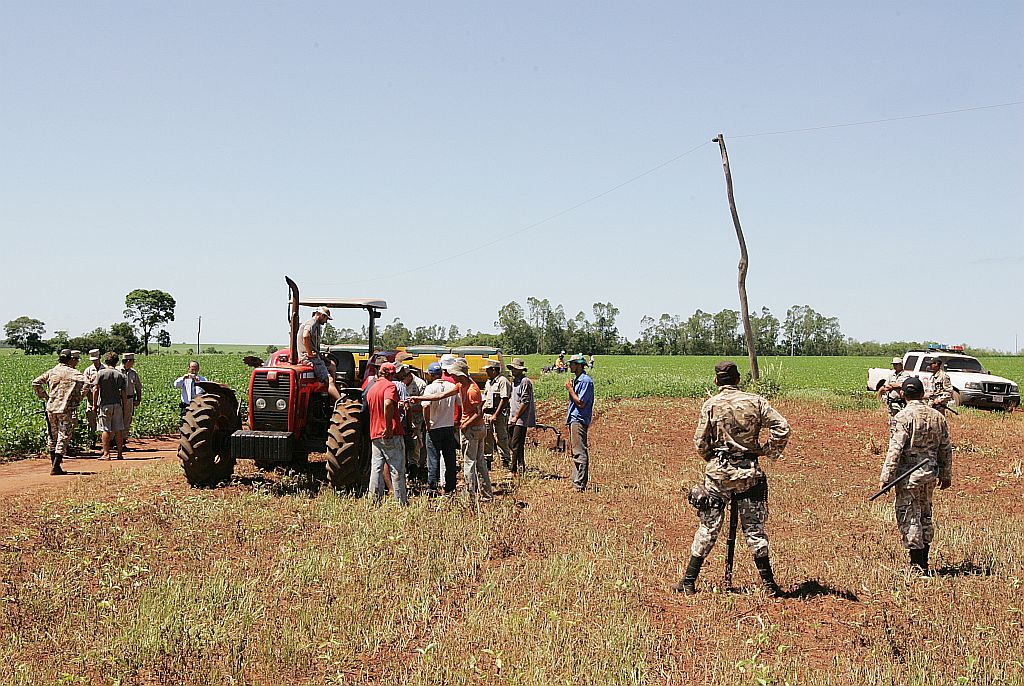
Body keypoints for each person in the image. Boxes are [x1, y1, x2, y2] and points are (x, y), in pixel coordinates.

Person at [674, 360, 790, 597]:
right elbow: (782, 427)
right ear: (738, 379)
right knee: (755, 531)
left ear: (716, 381)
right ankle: (770, 586)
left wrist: (713, 459)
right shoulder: (755, 401)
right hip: (749, 474)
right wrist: (764, 450)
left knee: (708, 527)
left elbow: (700, 443)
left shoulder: (711, 405)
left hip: (719, 476)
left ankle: (688, 581)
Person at [880, 376, 953, 575]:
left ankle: (917, 566)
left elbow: (895, 450)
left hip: (908, 477)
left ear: (903, 394)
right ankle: (924, 562)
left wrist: (886, 478)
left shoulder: (903, 417)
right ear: (922, 394)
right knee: (925, 515)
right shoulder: (938, 417)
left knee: (909, 516)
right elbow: (946, 448)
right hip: (930, 474)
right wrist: (946, 474)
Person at [31, 349, 86, 475]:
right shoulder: (73, 373)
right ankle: (56, 466)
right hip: (64, 409)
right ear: (70, 359)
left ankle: (55, 465)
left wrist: (45, 396)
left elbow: (36, 382)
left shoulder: (52, 371)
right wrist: (78, 397)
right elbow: (88, 382)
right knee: (63, 435)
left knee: (52, 435)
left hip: (51, 408)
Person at [411, 362, 462, 496]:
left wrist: (427, 423)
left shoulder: (430, 389)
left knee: (433, 459)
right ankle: (450, 487)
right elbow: (460, 403)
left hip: (434, 428)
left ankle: (432, 488)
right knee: (450, 459)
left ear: (430, 374)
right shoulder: (451, 386)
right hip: (448, 427)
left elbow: (426, 406)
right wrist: (458, 420)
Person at [365, 362, 408, 505]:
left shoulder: (371, 388)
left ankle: (373, 500)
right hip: (390, 433)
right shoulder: (390, 386)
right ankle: (400, 502)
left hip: (375, 433)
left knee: (376, 469)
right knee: (397, 469)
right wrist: (389, 427)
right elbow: (388, 403)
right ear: (390, 374)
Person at [451, 358, 491, 502]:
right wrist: (420, 397)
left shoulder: (472, 390)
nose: (452, 377)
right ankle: (486, 494)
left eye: (454, 374)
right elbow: (442, 395)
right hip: (478, 428)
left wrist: (465, 424)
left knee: (469, 463)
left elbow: (478, 412)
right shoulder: (462, 385)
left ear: (460, 375)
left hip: (473, 429)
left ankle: (470, 497)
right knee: (480, 461)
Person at [565, 353, 595, 492]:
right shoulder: (578, 380)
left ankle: (579, 484)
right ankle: (576, 481)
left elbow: (581, 402)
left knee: (579, 451)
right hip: (574, 418)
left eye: (571, 364)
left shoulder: (585, 381)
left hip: (579, 418)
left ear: (578, 365)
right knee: (575, 451)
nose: (569, 366)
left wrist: (570, 389)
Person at [300, 306, 340, 402]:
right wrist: (309, 353)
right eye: (326, 318)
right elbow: (305, 336)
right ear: (322, 315)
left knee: (332, 365)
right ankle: (339, 401)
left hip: (315, 357)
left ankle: (331, 395)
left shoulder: (316, 325)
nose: (326, 322)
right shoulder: (312, 323)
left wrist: (322, 357)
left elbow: (313, 345)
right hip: (310, 359)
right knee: (329, 380)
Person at [95, 351, 128, 460]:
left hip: (105, 404)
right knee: (118, 429)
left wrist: (94, 405)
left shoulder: (101, 373)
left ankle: (106, 453)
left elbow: (96, 389)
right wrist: (125, 407)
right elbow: (123, 393)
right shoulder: (121, 375)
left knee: (105, 429)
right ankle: (119, 454)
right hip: (117, 404)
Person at [399, 365, 428, 481]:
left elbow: (425, 404)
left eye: (403, 377)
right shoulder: (399, 384)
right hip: (402, 419)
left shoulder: (420, 385)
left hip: (416, 420)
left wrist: (411, 407)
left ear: (409, 375)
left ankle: (414, 467)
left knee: (415, 443)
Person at [507, 358, 536, 475]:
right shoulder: (514, 382)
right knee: (512, 443)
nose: (513, 371)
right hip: (512, 416)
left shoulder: (525, 382)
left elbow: (525, 401)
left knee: (515, 444)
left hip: (520, 419)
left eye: (515, 369)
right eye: (512, 368)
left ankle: (513, 470)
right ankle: (521, 466)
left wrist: (516, 417)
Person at [482, 360, 512, 471]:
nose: (486, 372)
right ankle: (487, 461)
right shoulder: (488, 382)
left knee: (501, 437)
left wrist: (496, 414)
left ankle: (505, 462)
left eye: (488, 370)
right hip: (487, 413)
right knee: (487, 438)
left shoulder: (502, 381)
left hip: (498, 414)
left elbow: (504, 399)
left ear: (494, 370)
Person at [880, 357, 911, 434]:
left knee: (903, 420)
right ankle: (893, 434)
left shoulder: (906, 375)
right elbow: (886, 386)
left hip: (901, 403)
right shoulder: (891, 376)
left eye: (896, 364)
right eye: (894, 364)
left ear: (901, 365)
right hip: (892, 402)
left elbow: (902, 384)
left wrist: (893, 385)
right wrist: (892, 385)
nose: (894, 366)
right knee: (892, 420)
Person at [119, 352, 143, 448]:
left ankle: (123, 441)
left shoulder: (133, 373)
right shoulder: (117, 371)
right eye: (132, 361)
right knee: (117, 420)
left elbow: (138, 387)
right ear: (128, 361)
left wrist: (138, 399)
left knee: (127, 420)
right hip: (119, 399)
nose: (133, 363)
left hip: (130, 399)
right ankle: (114, 441)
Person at [82, 349, 103, 449]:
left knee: (103, 421)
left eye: (96, 360)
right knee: (91, 421)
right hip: (91, 399)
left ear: (100, 358)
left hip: (103, 399)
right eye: (93, 360)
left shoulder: (105, 368)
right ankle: (92, 440)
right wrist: (90, 381)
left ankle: (105, 442)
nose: (95, 362)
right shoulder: (88, 370)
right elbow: (84, 385)